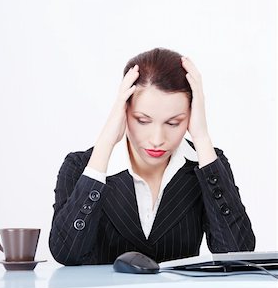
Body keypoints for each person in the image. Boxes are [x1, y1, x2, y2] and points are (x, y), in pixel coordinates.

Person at [49, 47, 255, 274]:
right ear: (124, 111)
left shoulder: (206, 165)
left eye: (174, 122)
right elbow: (66, 253)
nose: (157, 140)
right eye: (143, 120)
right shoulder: (82, 167)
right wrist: (105, 143)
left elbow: (237, 254)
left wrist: (202, 137)